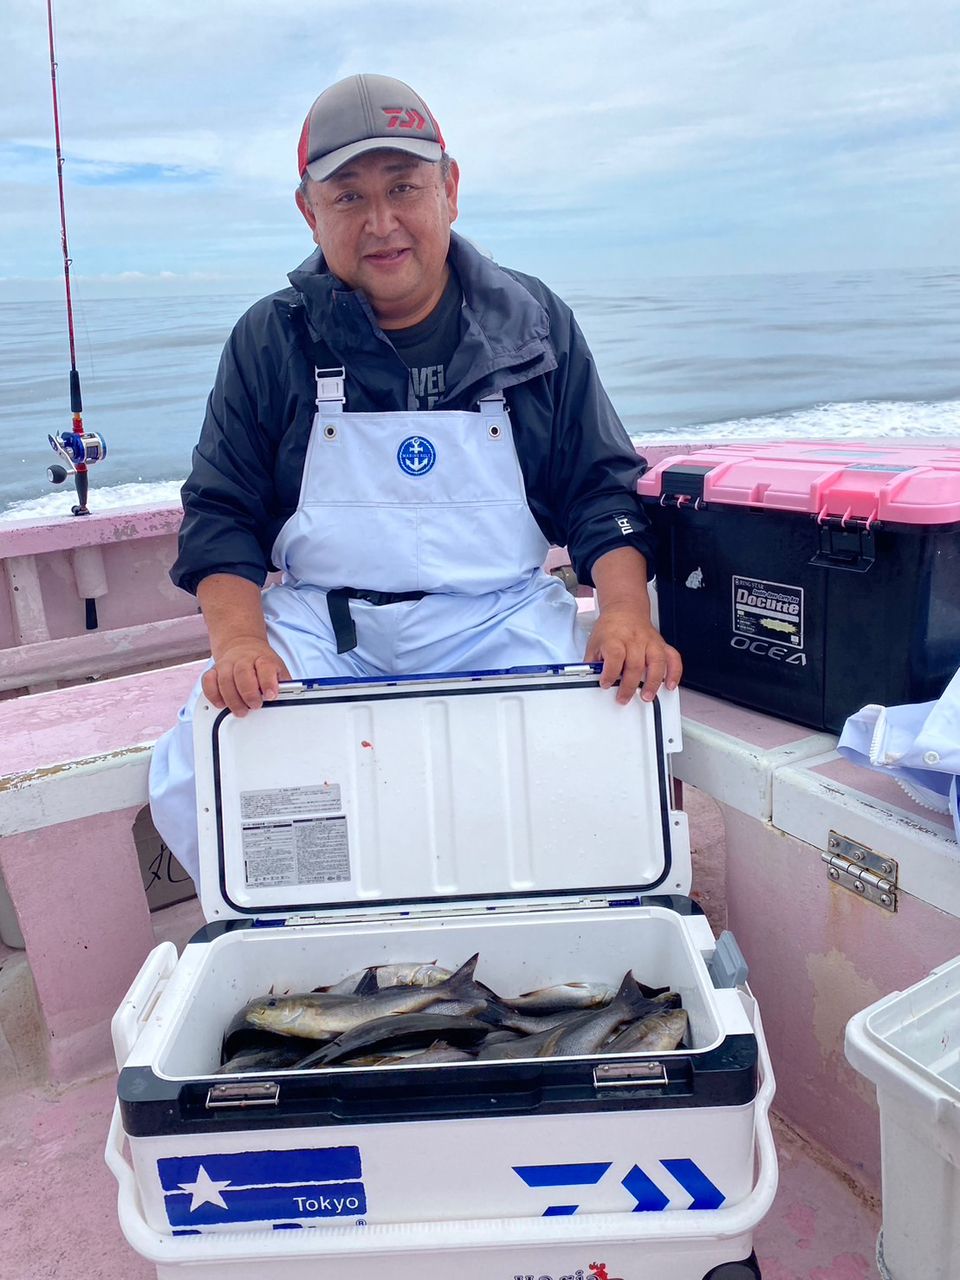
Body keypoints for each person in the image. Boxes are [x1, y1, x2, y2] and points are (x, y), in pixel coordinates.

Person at [149, 72, 682, 883]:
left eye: (404, 187)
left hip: (499, 621)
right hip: (327, 631)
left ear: (451, 189)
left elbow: (600, 491)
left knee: (597, 754)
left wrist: (622, 615)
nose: (382, 222)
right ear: (309, 211)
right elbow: (223, 513)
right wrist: (240, 641)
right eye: (349, 197)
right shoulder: (271, 338)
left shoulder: (537, 326)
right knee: (198, 769)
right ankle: (301, 939)